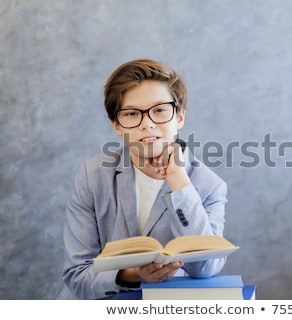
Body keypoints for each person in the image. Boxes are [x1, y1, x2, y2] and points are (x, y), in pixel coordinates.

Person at [58, 59, 228, 299]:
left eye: (159, 110)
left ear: (179, 117)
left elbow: (205, 267)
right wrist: (132, 274)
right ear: (117, 125)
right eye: (131, 114)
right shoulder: (92, 176)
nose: (147, 124)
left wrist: (178, 180)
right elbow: (77, 275)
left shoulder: (209, 186)